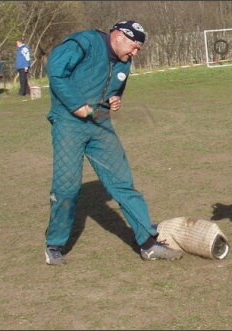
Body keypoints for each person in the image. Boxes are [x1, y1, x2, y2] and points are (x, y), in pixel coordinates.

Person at [44, 20, 183, 265]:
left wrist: (115, 98)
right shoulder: (84, 42)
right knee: (67, 188)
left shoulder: (124, 61)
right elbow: (56, 70)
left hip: (100, 122)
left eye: (139, 48)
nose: (135, 52)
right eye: (133, 46)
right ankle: (54, 244)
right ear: (118, 35)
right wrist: (76, 105)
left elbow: (116, 87)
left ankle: (148, 244)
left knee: (123, 183)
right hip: (68, 122)